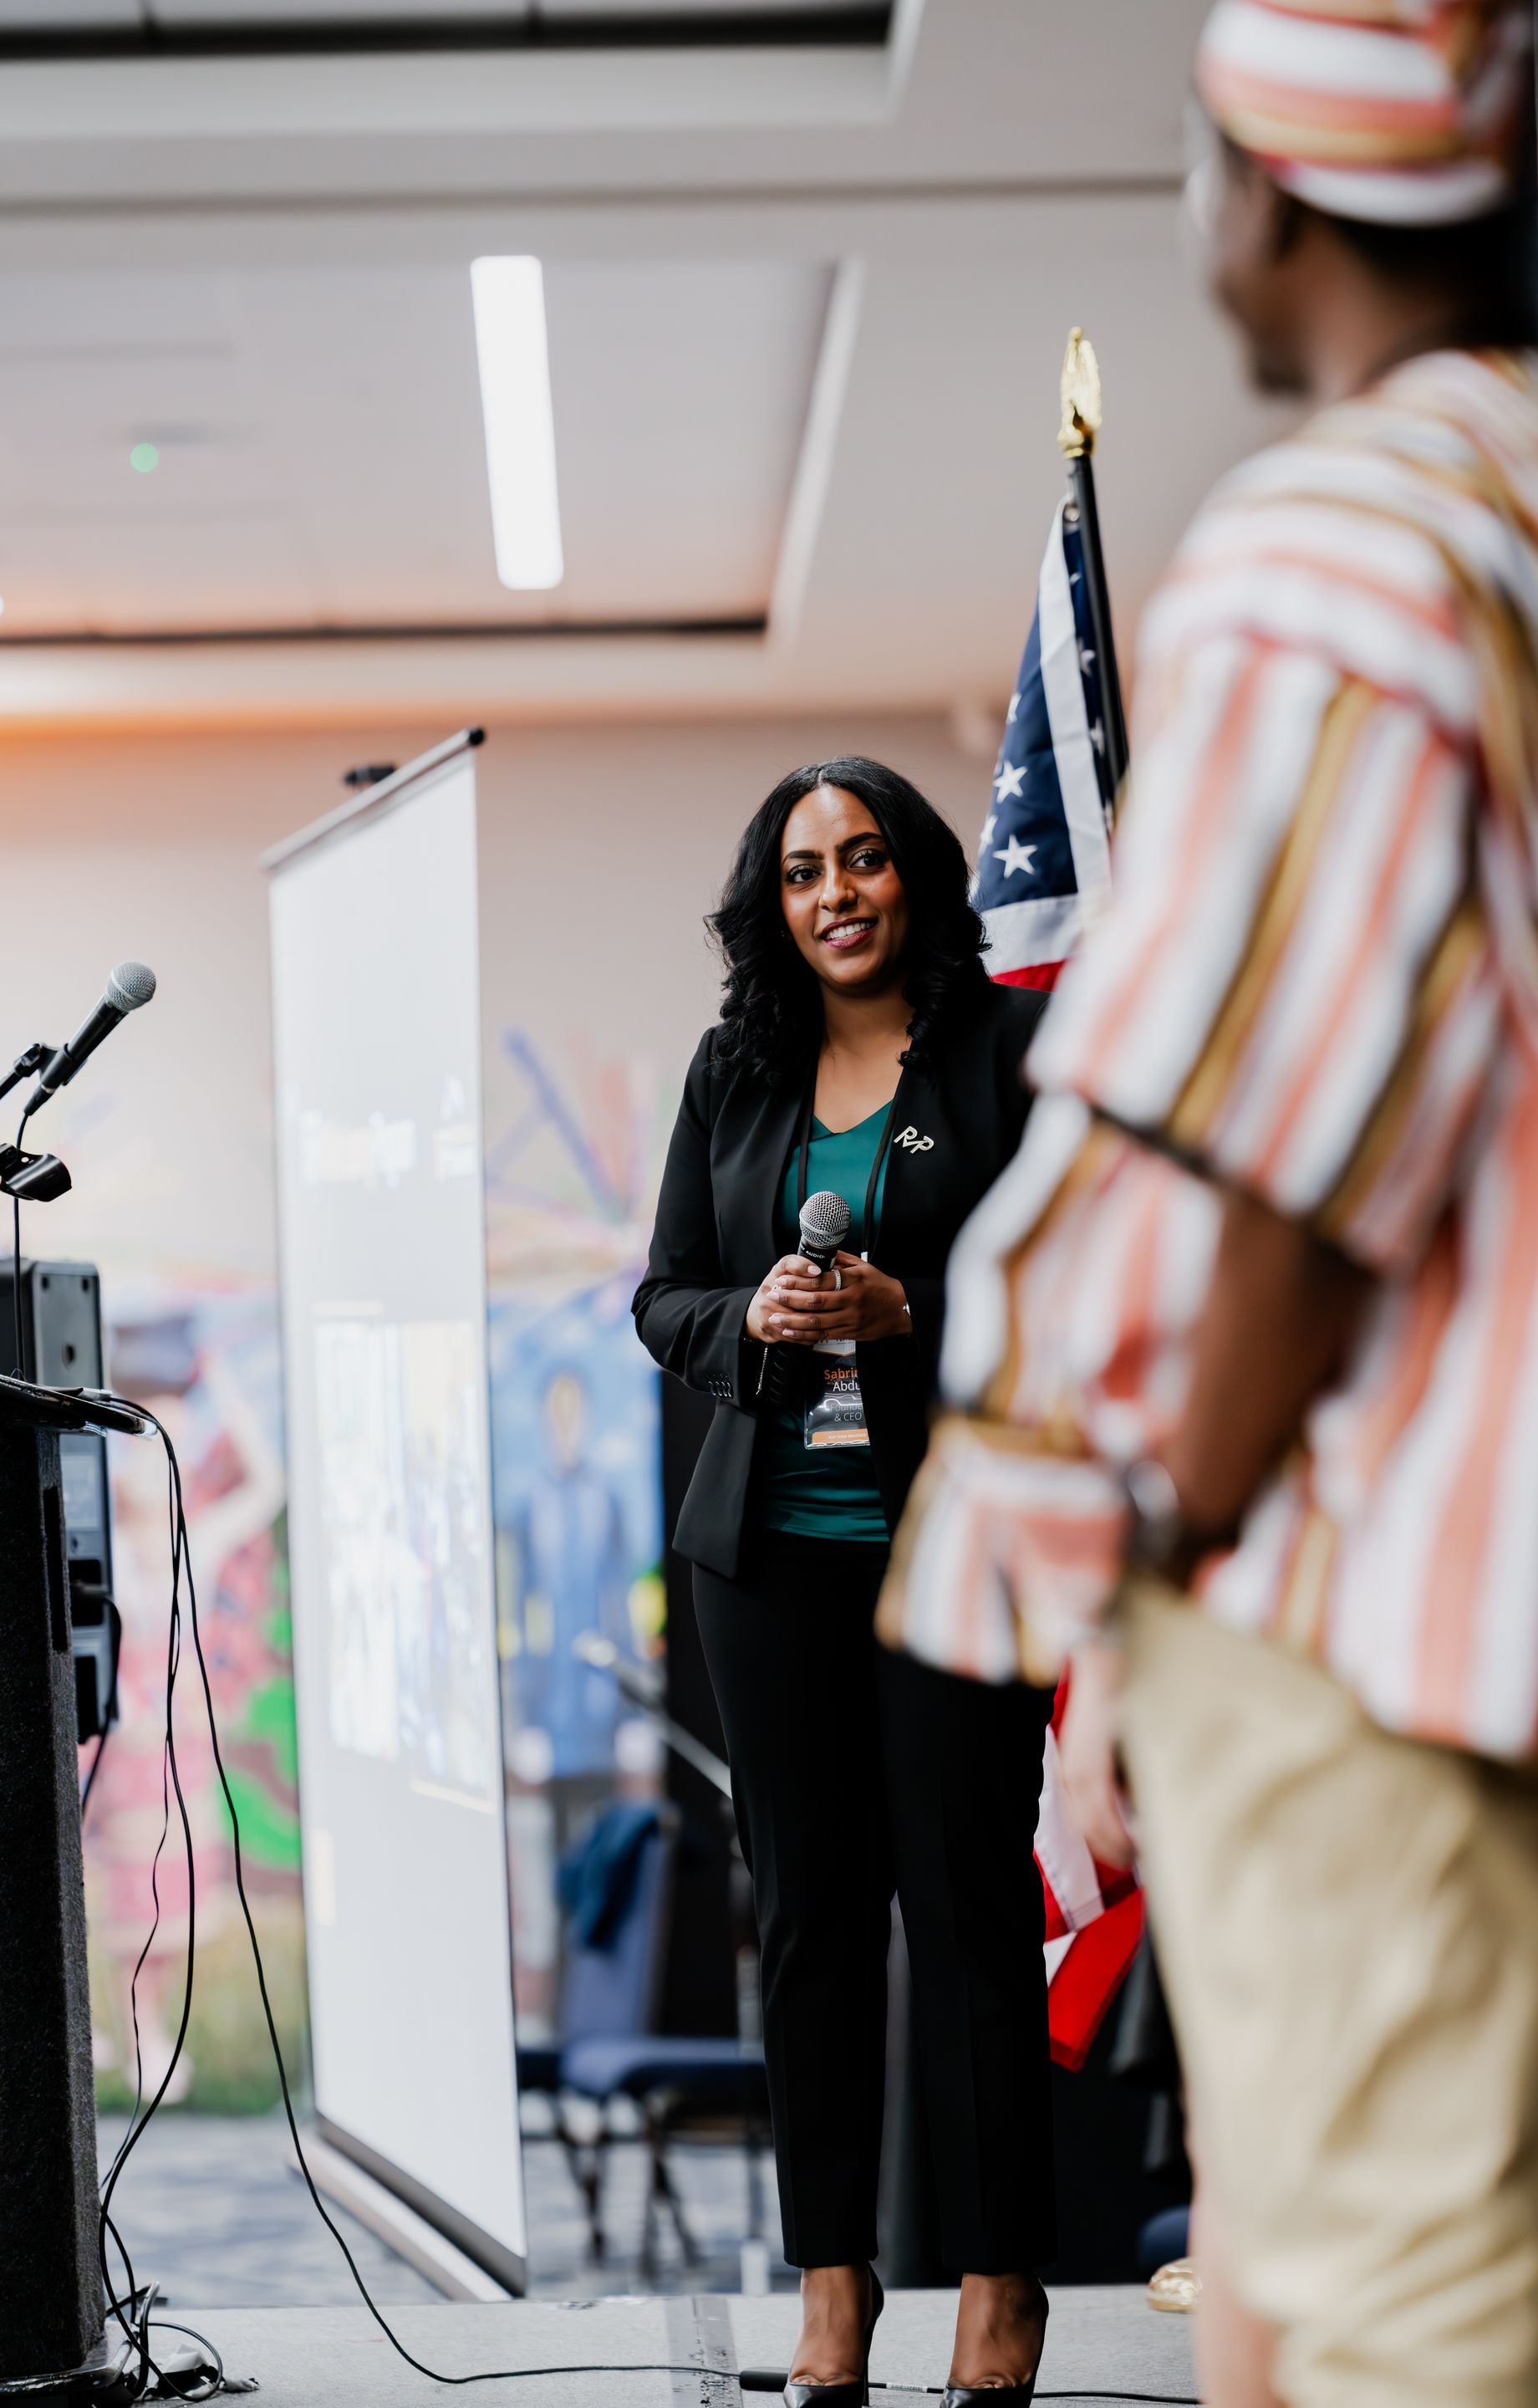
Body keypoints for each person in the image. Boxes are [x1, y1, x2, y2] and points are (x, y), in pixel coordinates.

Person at [878, 6, 1538, 2403]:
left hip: (1361, 1615)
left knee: (1403, 2343)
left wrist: (1146, 1589)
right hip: (1475, 1592)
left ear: (1262, 186)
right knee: (1291, 2298)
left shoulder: (1348, 542)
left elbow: (1285, 1173)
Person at [634, 758, 1053, 2404]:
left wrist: (911, 1320)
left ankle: (1000, 2287)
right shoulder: (734, 1072)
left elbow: (1071, 1295)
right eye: (806, 869)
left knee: (965, 1921)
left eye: (867, 860)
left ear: (917, 877)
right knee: (809, 1924)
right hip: (764, 1567)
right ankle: (832, 2287)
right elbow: (664, 1296)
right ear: (774, 902)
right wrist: (750, 1321)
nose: (837, 894)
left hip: (952, 1550)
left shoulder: (1008, 1057)